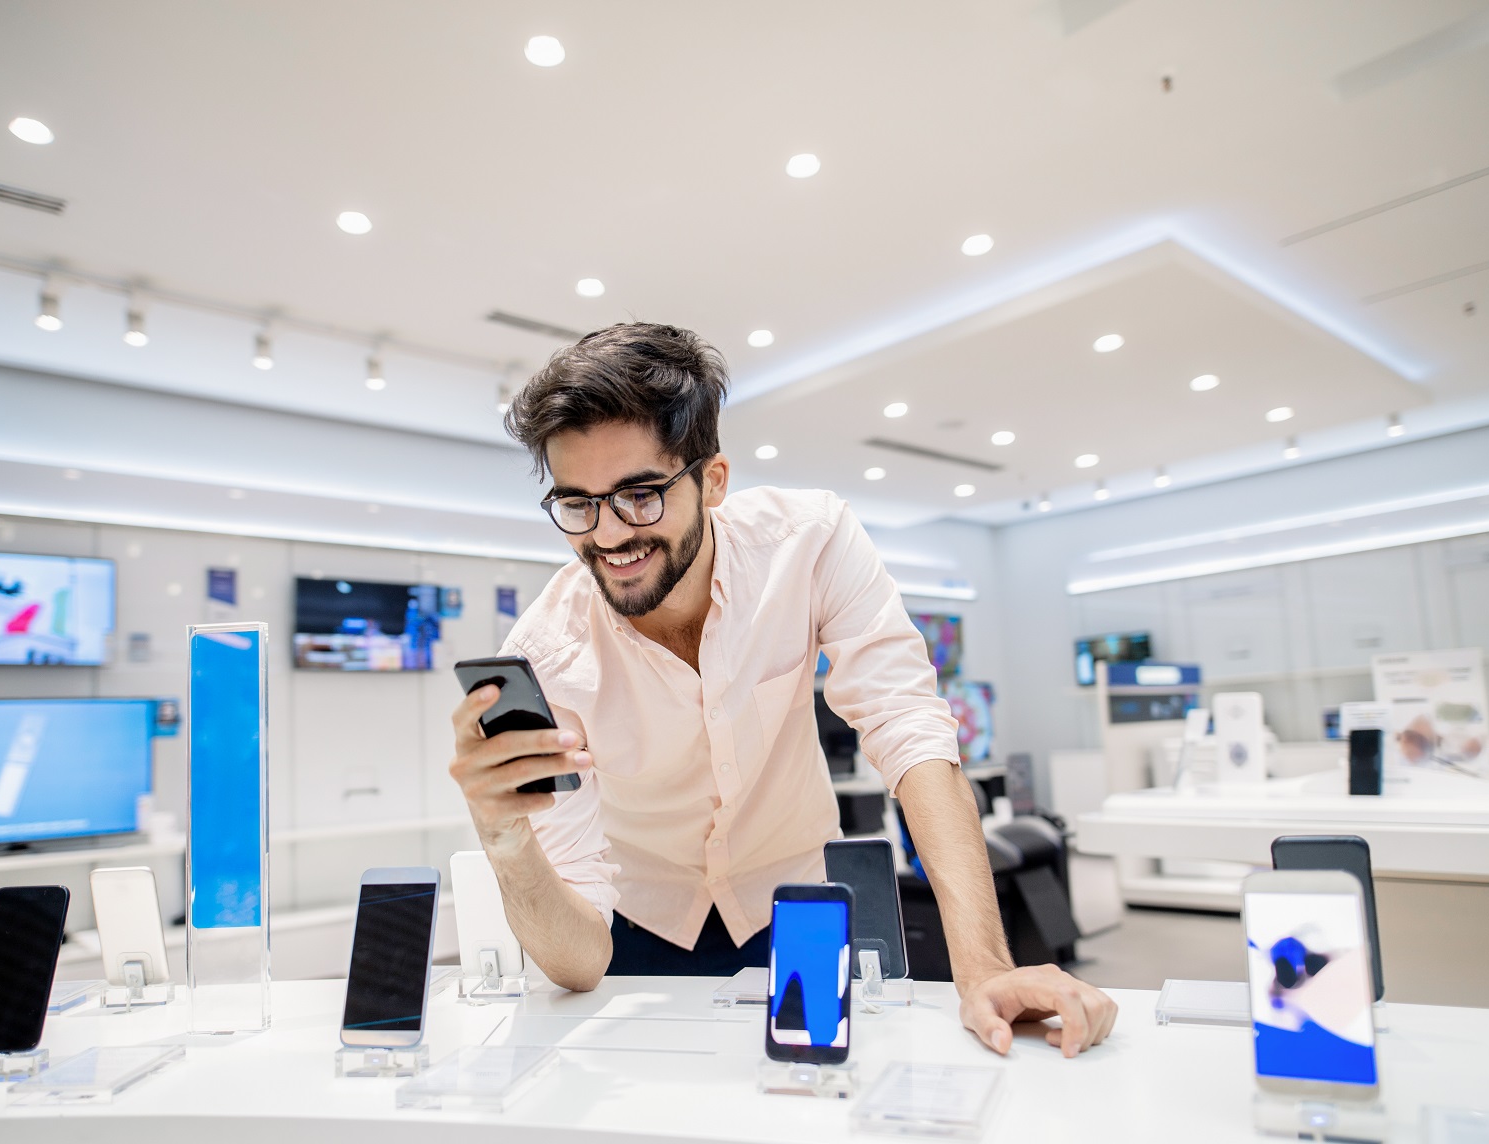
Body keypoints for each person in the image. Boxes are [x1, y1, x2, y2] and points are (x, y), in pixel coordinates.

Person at [448, 323, 1117, 1058]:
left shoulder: (810, 542)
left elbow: (909, 731)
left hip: (797, 907)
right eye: (578, 505)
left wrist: (985, 969)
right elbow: (578, 962)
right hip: (637, 928)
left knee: (818, 1102)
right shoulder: (548, 655)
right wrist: (504, 836)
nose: (608, 536)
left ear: (713, 481)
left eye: (639, 496)